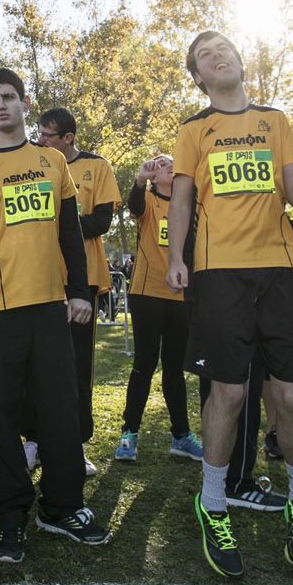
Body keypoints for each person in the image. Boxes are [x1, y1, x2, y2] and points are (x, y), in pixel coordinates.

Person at [167, 30, 293, 577]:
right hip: (218, 273)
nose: (221, 58)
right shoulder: (194, 129)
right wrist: (175, 257)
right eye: (207, 57)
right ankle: (213, 503)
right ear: (198, 77)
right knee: (230, 392)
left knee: (288, 394)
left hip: (279, 271)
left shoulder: (275, 122)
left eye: (226, 49)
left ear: (240, 60)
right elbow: (183, 199)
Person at [0, 69, 110, 563]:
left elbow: (70, 234)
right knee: (0, 414)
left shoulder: (52, 159)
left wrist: (78, 291)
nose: (1, 105)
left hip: (49, 305)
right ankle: (9, 513)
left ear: (24, 102)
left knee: (60, 406)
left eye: (9, 97)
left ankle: (61, 507)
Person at [31, 107, 119, 476]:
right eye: (39, 133)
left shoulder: (97, 167)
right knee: (36, 366)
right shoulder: (36, 163)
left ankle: (76, 446)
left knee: (77, 368)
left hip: (83, 282)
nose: (40, 140)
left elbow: (101, 221)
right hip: (40, 279)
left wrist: (58, 222)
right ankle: (33, 441)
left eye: (47, 135)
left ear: (68, 138)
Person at [114, 155, 204, 463]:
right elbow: (133, 204)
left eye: (171, 162)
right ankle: (129, 434)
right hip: (146, 293)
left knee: (174, 367)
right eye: (161, 163)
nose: (168, 165)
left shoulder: (189, 206)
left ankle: (181, 436)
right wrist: (140, 180)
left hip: (180, 297)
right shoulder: (148, 201)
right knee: (144, 363)